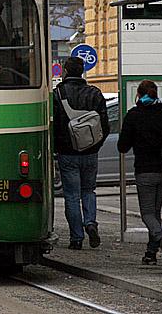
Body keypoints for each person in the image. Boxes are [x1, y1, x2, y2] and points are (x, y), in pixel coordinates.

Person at [117, 80, 162, 265]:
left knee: (147, 214)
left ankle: (161, 239)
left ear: (138, 94)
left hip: (145, 171)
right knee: (155, 212)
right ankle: (150, 254)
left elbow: (123, 146)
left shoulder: (134, 115)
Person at [53, 56, 110, 250]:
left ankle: (76, 238)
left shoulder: (58, 94)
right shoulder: (94, 93)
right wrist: (95, 145)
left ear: (65, 72)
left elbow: (53, 127)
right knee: (89, 191)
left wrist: (57, 148)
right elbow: (105, 125)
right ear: (82, 71)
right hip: (90, 152)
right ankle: (91, 223)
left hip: (67, 153)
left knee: (71, 195)